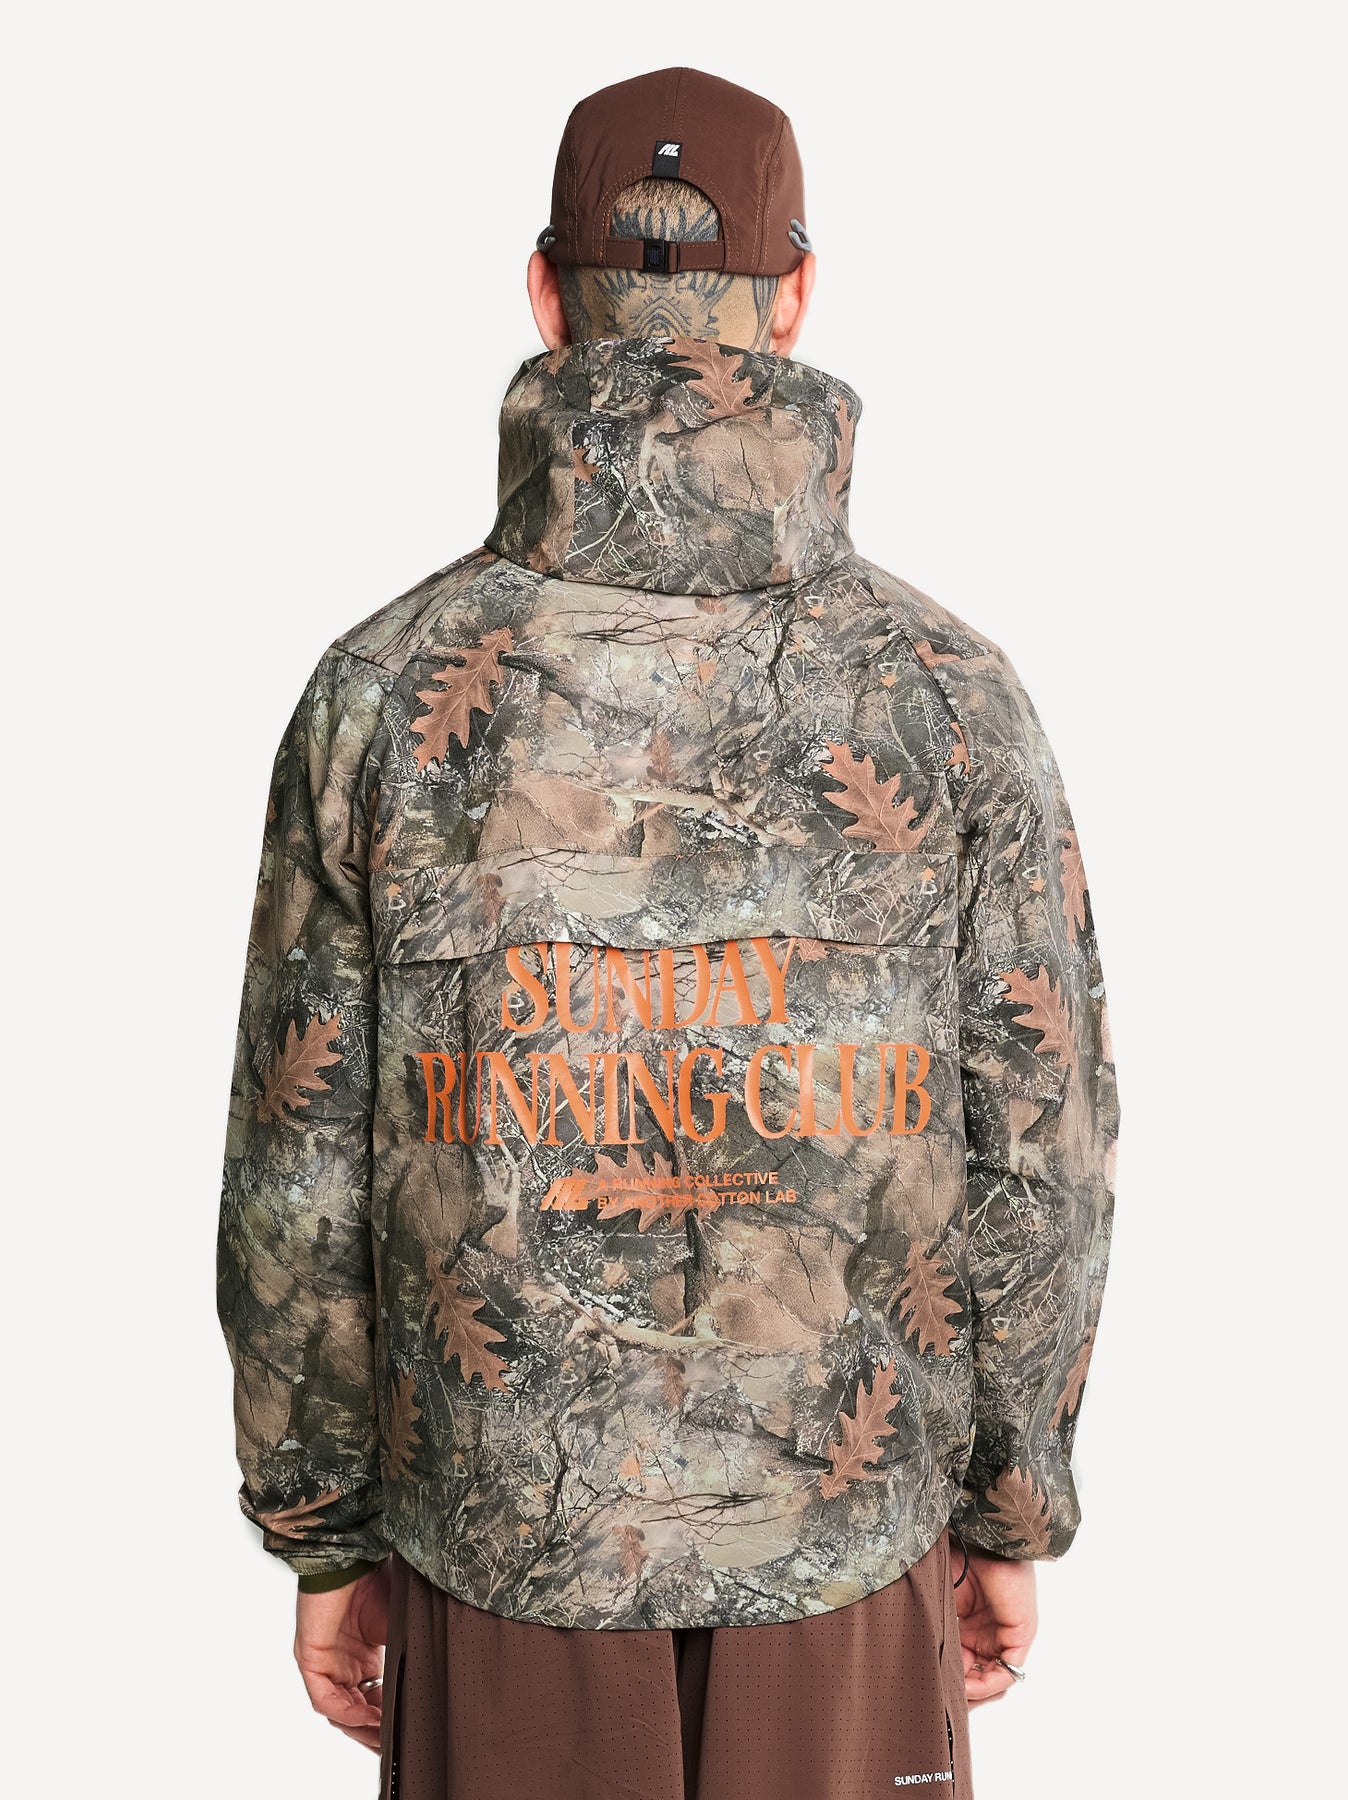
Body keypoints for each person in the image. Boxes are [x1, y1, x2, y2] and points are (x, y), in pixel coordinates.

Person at [217, 66, 1118, 1800]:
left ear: (543, 292)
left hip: (500, 1547)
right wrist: (1013, 1505)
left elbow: (298, 1161)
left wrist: (325, 1533)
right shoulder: (952, 697)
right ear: (797, 298)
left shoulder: (383, 695)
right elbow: (1043, 1148)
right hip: (847, 1552)